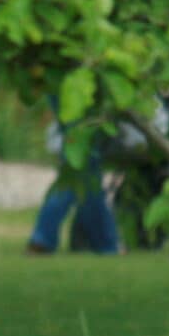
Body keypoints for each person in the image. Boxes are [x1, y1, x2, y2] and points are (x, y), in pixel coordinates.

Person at [27, 104, 121, 255]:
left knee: (87, 183)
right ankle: (43, 238)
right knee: (80, 173)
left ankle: (105, 243)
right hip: (84, 105)